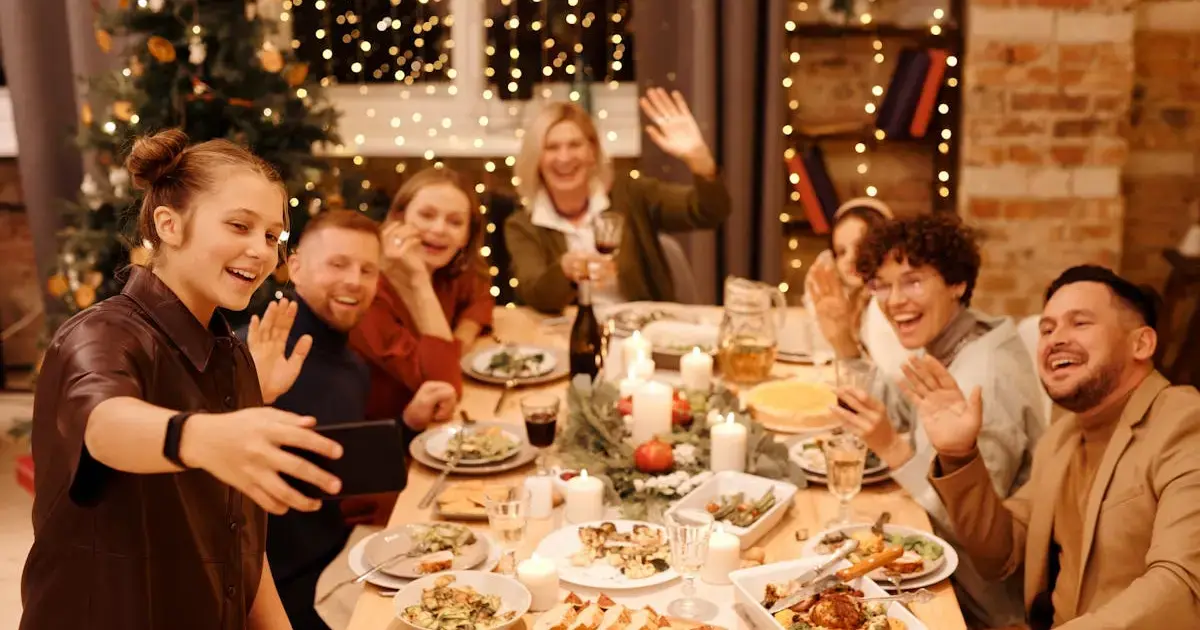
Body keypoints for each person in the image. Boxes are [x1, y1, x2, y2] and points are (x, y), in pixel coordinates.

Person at [20, 129, 344, 630]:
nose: (260, 251)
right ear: (169, 225)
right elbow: (104, 427)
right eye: (239, 225)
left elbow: (240, 544)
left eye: (272, 236)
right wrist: (200, 435)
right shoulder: (101, 335)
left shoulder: (231, 356)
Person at [923, 266, 1200, 629]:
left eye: (1080, 323)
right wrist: (959, 455)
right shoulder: (1063, 437)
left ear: (1141, 344)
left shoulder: (1184, 422)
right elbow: (1000, 556)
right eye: (1047, 328)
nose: (1055, 339)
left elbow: (1183, 584)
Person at [242, 209, 457, 629]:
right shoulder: (258, 355)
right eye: (337, 264)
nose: (355, 282)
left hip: (343, 556)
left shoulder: (350, 361)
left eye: (367, 270)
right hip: (288, 593)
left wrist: (407, 424)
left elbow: (337, 459)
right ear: (296, 266)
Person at [830, 213, 1045, 628]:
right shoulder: (955, 338)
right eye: (882, 285)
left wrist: (893, 448)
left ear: (957, 282)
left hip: (980, 604)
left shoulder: (984, 378)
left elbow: (975, 534)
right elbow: (899, 412)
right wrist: (843, 340)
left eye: (912, 281)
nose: (894, 301)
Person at [505, 89, 732, 313]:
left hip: (642, 334)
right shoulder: (522, 226)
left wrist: (700, 161)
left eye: (575, 145)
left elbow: (709, 212)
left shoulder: (632, 194)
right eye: (551, 147)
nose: (564, 158)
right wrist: (565, 271)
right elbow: (535, 295)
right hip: (568, 337)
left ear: (592, 151)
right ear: (537, 158)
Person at [350, 167, 489, 444]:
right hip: (383, 446)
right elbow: (445, 388)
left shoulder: (445, 269)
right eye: (426, 215)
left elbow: (481, 295)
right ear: (399, 218)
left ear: (466, 236)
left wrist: (460, 341)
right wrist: (419, 282)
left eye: (455, 222)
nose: (439, 229)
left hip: (429, 434)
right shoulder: (366, 292)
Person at [803, 197, 910, 377]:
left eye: (861, 246)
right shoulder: (847, 303)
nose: (850, 259)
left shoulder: (887, 306)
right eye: (841, 252)